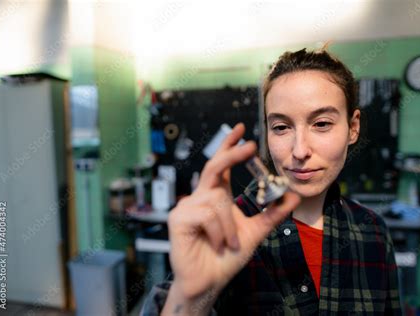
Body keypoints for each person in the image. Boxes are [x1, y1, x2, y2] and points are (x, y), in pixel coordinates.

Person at [140, 48, 401, 315]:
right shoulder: (227, 229)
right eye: (281, 127)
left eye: (321, 123)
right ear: (267, 131)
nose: (300, 151)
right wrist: (191, 295)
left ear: (353, 127)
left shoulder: (373, 231)